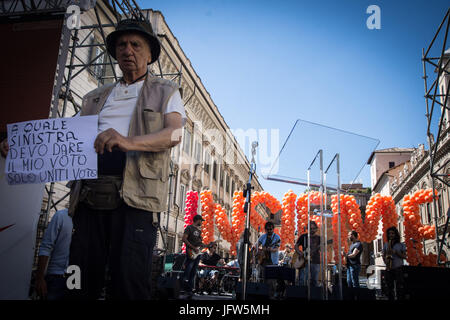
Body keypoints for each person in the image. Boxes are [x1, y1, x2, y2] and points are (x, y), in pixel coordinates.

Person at [0, 19, 186, 300]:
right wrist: (21, 146)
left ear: (150, 54)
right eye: (121, 44)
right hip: (89, 198)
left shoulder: (166, 91)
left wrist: (127, 141)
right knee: (78, 280)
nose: (127, 50)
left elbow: (174, 134)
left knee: (129, 283)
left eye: (136, 44)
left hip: (136, 200)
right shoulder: (94, 97)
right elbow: (65, 135)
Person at [35, 208, 73, 300]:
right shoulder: (61, 215)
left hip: (76, 278)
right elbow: (46, 246)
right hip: (56, 277)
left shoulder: (89, 222)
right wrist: (40, 278)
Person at [182, 215, 206, 298]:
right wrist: (193, 248)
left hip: (197, 253)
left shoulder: (199, 231)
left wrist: (207, 245)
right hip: (191, 252)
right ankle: (183, 288)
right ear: (197, 220)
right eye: (201, 221)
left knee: (193, 271)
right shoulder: (189, 228)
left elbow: (200, 243)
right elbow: (184, 239)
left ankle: (189, 289)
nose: (201, 222)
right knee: (188, 270)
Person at [254, 221, 281, 298]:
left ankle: (271, 296)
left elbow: (276, 249)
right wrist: (259, 251)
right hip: (263, 261)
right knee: (262, 278)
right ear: (265, 229)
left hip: (272, 262)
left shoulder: (277, 238)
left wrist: (269, 249)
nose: (269, 231)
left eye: (271, 229)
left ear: (273, 229)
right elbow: (256, 245)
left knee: (272, 280)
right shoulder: (263, 236)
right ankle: (263, 295)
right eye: (268, 229)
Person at [382, 226, 406, 300]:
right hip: (389, 268)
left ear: (396, 234)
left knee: (400, 288)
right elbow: (383, 255)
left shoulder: (401, 245)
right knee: (389, 288)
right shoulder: (386, 244)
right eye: (389, 234)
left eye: (392, 233)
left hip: (398, 268)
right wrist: (386, 261)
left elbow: (405, 256)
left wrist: (396, 253)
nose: (391, 235)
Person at [295, 221, 321, 287]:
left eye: (313, 228)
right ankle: (302, 295)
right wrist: (300, 253)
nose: (312, 230)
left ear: (316, 228)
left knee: (314, 280)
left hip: (315, 261)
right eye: (310, 228)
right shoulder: (303, 236)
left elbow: (321, 249)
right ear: (307, 228)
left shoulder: (319, 238)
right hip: (304, 261)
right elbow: (296, 246)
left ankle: (314, 295)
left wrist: (320, 247)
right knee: (302, 279)